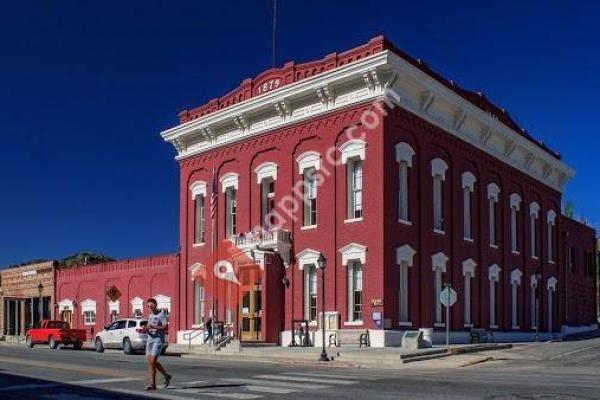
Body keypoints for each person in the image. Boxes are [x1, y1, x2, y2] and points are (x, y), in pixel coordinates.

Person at [143, 298, 172, 390]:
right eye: (148, 306)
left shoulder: (161, 314)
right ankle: (164, 377)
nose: (150, 308)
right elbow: (149, 325)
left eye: (151, 305)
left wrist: (154, 326)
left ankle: (153, 383)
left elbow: (165, 326)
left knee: (153, 361)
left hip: (158, 339)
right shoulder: (150, 315)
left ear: (155, 304)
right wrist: (145, 328)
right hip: (150, 339)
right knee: (151, 362)